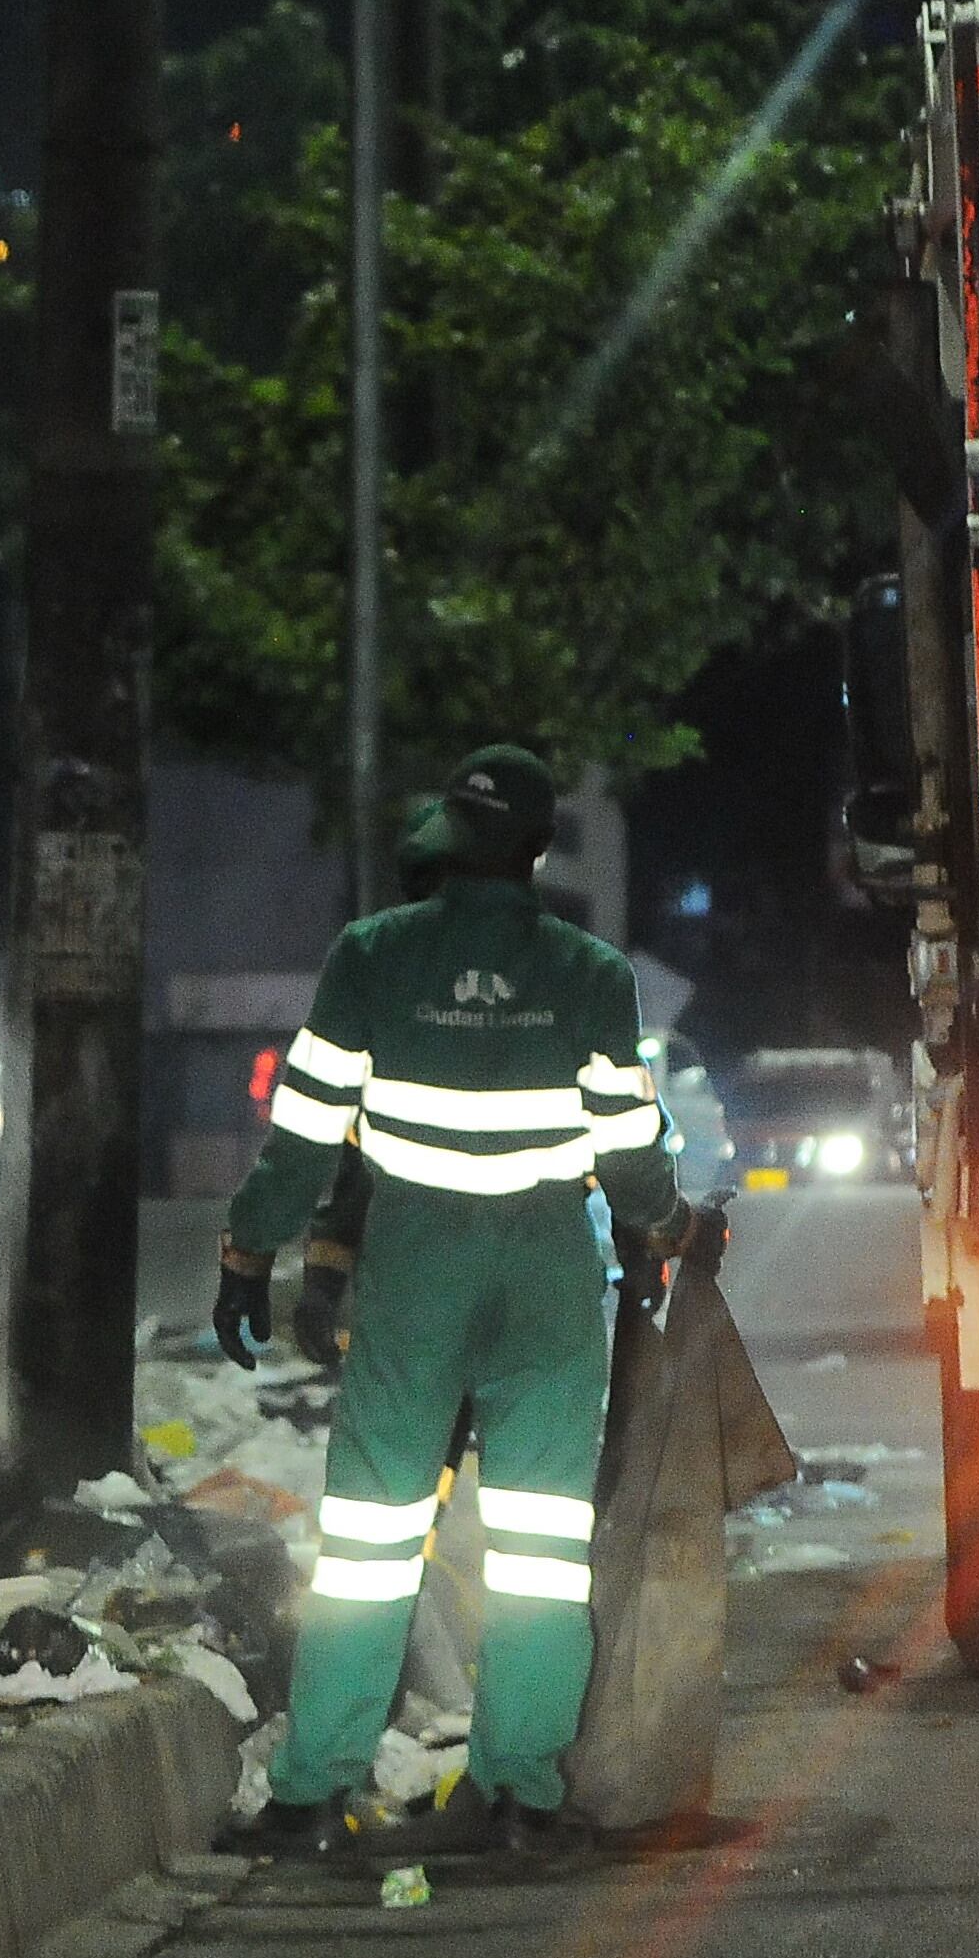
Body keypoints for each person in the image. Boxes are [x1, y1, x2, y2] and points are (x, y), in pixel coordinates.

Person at [217, 744, 681, 1860]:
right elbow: (628, 1147)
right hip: (546, 1272)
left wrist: (250, 1247)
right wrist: (650, 1230)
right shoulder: (590, 973)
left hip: (416, 1259)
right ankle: (519, 1794)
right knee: (537, 1545)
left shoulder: (372, 955)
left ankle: (312, 1794)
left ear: (446, 840)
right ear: (534, 849)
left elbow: (307, 1126)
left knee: (371, 1536)